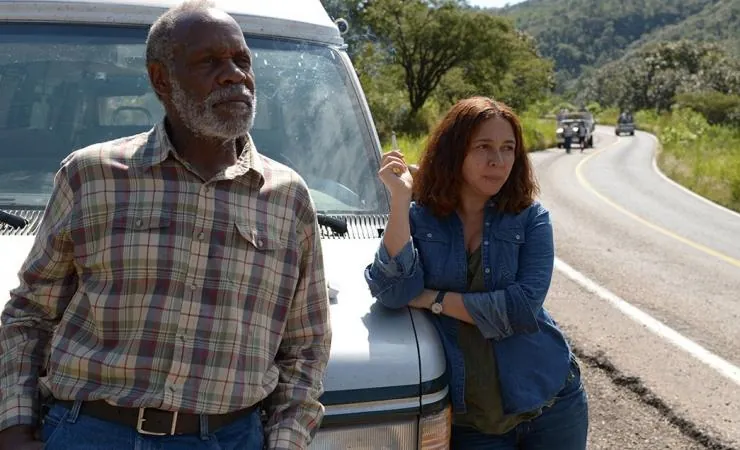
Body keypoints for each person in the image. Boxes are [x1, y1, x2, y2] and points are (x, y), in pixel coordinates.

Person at [0, 1, 331, 449]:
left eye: (242, 60)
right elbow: (30, 313)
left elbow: (306, 347)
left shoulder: (288, 197)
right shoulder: (91, 175)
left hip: (228, 438)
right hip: (90, 432)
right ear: (161, 79)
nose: (234, 75)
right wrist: (15, 427)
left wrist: (287, 442)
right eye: (209, 62)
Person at [365, 96, 588, 449]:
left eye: (507, 148)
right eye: (483, 147)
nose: (497, 160)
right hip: (473, 422)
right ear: (455, 151)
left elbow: (520, 308)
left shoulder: (531, 219)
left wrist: (433, 299)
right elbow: (393, 292)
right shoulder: (421, 218)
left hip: (553, 403)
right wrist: (401, 200)